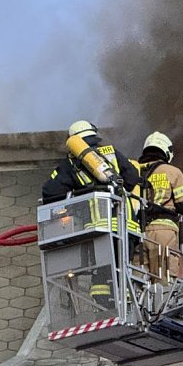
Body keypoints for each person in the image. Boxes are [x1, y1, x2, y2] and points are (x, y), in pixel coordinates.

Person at [42, 120, 141, 306]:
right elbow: (133, 178)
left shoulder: (71, 162)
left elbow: (50, 192)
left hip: (99, 226)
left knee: (102, 271)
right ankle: (127, 303)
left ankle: (104, 307)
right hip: (126, 224)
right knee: (124, 267)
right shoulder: (111, 152)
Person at [138, 131, 183, 284]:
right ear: (166, 151)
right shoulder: (173, 172)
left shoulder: (135, 171)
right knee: (164, 282)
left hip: (137, 233)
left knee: (138, 283)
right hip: (164, 231)